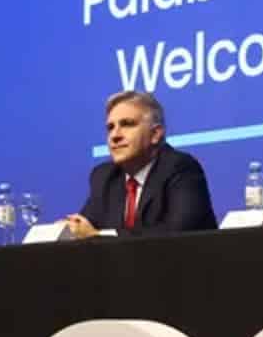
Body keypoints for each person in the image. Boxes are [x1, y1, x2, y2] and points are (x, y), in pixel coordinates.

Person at [63, 91, 217, 237]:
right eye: (110, 127)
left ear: (155, 134)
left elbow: (176, 233)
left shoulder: (180, 168)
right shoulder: (104, 176)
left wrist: (98, 235)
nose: (115, 136)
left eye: (127, 124)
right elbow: (84, 225)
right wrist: (69, 229)